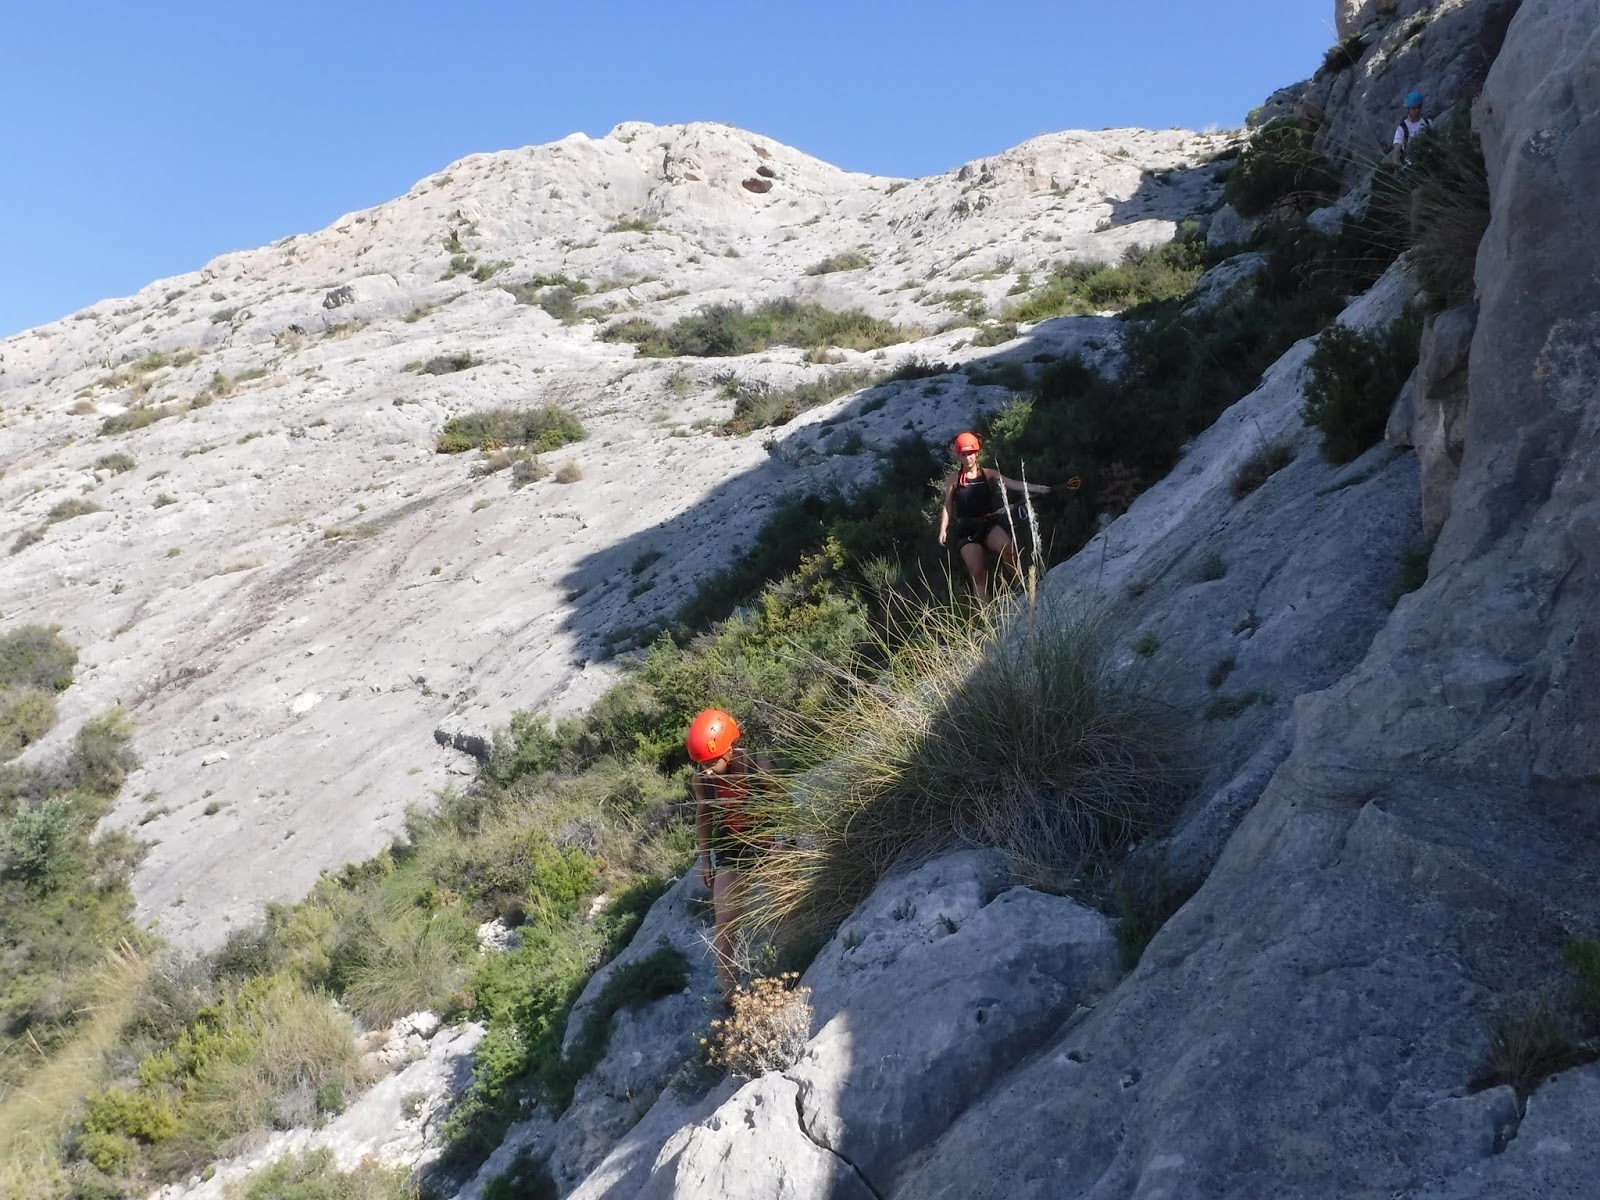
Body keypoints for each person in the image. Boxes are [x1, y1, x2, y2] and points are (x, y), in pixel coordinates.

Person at [688, 707, 771, 999]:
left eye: (711, 762)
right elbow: (704, 816)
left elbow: (783, 803)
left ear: (728, 751)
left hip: (767, 839)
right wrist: (705, 860)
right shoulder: (704, 781)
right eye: (701, 764)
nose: (706, 770)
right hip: (734, 847)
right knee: (724, 922)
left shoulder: (757, 765)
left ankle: (800, 950)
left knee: (783, 891)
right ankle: (731, 998)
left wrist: (782, 843)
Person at [938, 431, 1056, 601]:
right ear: (959, 456)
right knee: (978, 573)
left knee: (1007, 547)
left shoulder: (988, 474)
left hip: (988, 523)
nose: (968, 458)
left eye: (971, 453)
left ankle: (1023, 584)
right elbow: (947, 505)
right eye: (964, 454)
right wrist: (943, 529)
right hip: (967, 529)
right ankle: (987, 612)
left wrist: (1038, 488)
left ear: (977, 454)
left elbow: (1013, 484)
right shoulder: (953, 479)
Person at [1389, 91, 1432, 165]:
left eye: (1419, 107)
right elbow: (1396, 150)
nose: (1417, 110)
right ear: (1408, 109)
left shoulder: (1428, 123)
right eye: (1414, 108)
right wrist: (1398, 167)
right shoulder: (1402, 129)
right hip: (1412, 165)